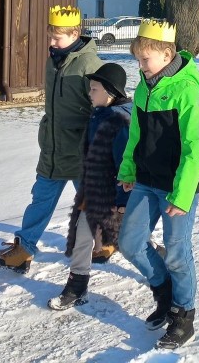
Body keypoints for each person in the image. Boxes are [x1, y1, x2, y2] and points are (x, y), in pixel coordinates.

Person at [0, 5, 103, 273]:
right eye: (50, 35)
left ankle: (106, 241)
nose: (51, 42)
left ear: (75, 33)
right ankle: (24, 249)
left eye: (57, 37)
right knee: (40, 198)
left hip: (79, 150)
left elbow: (102, 106)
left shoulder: (90, 65)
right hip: (52, 146)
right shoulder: (53, 60)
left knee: (93, 201)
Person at [117, 20, 199, 351]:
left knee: (177, 252)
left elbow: (194, 149)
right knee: (130, 242)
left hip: (176, 188)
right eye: (138, 59)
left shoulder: (187, 92)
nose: (140, 65)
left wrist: (182, 196)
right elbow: (136, 136)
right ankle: (164, 290)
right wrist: (128, 171)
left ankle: (184, 314)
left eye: (145, 59)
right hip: (145, 181)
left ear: (167, 54)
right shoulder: (144, 86)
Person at [49, 62, 132, 310]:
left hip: (113, 195)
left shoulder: (119, 122)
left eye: (94, 89)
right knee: (83, 235)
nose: (89, 93)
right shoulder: (100, 114)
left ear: (110, 92)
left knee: (131, 242)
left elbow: (123, 166)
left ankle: (162, 277)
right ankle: (77, 287)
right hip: (94, 191)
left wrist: (121, 201)